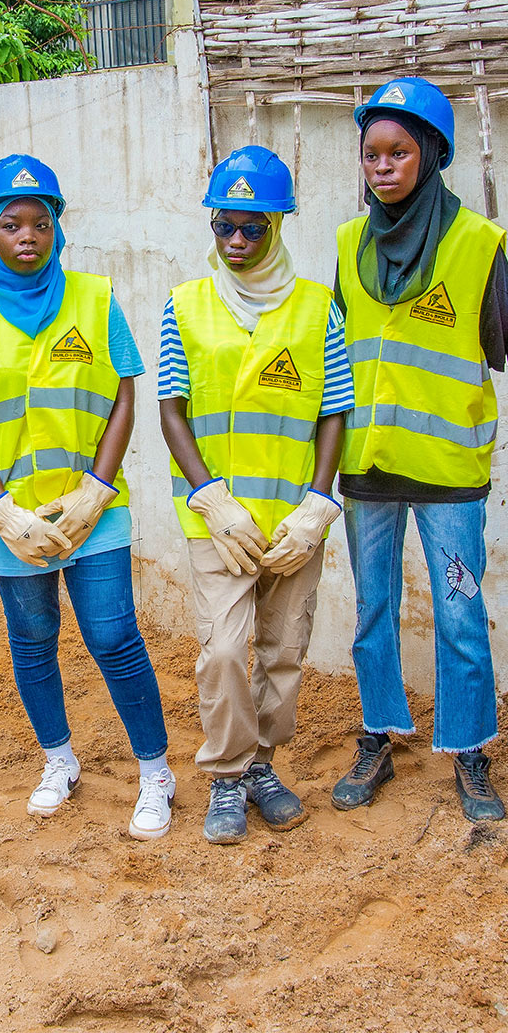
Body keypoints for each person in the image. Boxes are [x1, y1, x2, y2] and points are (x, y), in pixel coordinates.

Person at [0, 154, 173, 839]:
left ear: (58, 230)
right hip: (12, 520)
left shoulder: (95, 300)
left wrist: (98, 488)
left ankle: (155, 771)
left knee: (113, 635)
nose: (27, 235)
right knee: (33, 641)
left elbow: (126, 392)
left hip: (92, 509)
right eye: (11, 223)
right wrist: (0, 510)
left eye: (41, 222)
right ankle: (58, 761)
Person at [158, 146, 355, 844]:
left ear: (277, 226)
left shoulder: (316, 308)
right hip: (220, 523)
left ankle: (261, 767)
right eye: (223, 227)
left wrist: (318, 505)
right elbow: (172, 410)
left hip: (291, 522)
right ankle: (224, 773)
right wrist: (209, 497)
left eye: (252, 229)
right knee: (221, 649)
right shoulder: (184, 305)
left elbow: (335, 410)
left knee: (280, 652)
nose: (236, 243)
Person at [330, 77, 507, 823]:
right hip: (366, 469)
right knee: (373, 609)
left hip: (447, 476)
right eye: (372, 152)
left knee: (460, 613)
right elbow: (337, 353)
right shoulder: (346, 243)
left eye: (399, 151)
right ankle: (379, 733)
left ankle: (469, 748)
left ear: (433, 153)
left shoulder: (479, 245)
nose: (383, 165)